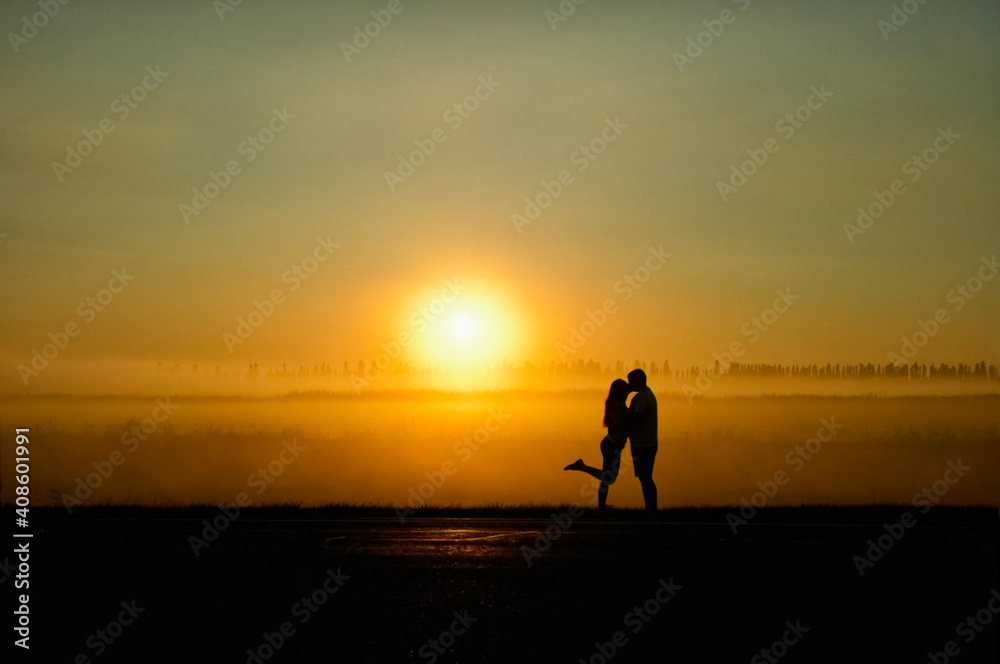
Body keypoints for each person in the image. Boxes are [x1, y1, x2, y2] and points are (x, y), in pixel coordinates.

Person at [564, 379, 631, 509]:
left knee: (607, 477)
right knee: (609, 478)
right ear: (620, 391)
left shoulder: (614, 403)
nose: (627, 390)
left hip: (610, 444)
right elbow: (629, 419)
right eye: (625, 389)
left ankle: (601, 506)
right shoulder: (618, 405)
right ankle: (582, 467)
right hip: (613, 445)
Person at [626, 369, 658, 513]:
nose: (629, 385)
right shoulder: (648, 395)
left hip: (642, 444)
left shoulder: (641, 398)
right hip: (649, 442)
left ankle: (650, 509)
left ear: (638, 381)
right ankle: (651, 508)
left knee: (644, 477)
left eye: (631, 381)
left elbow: (636, 418)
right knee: (646, 477)